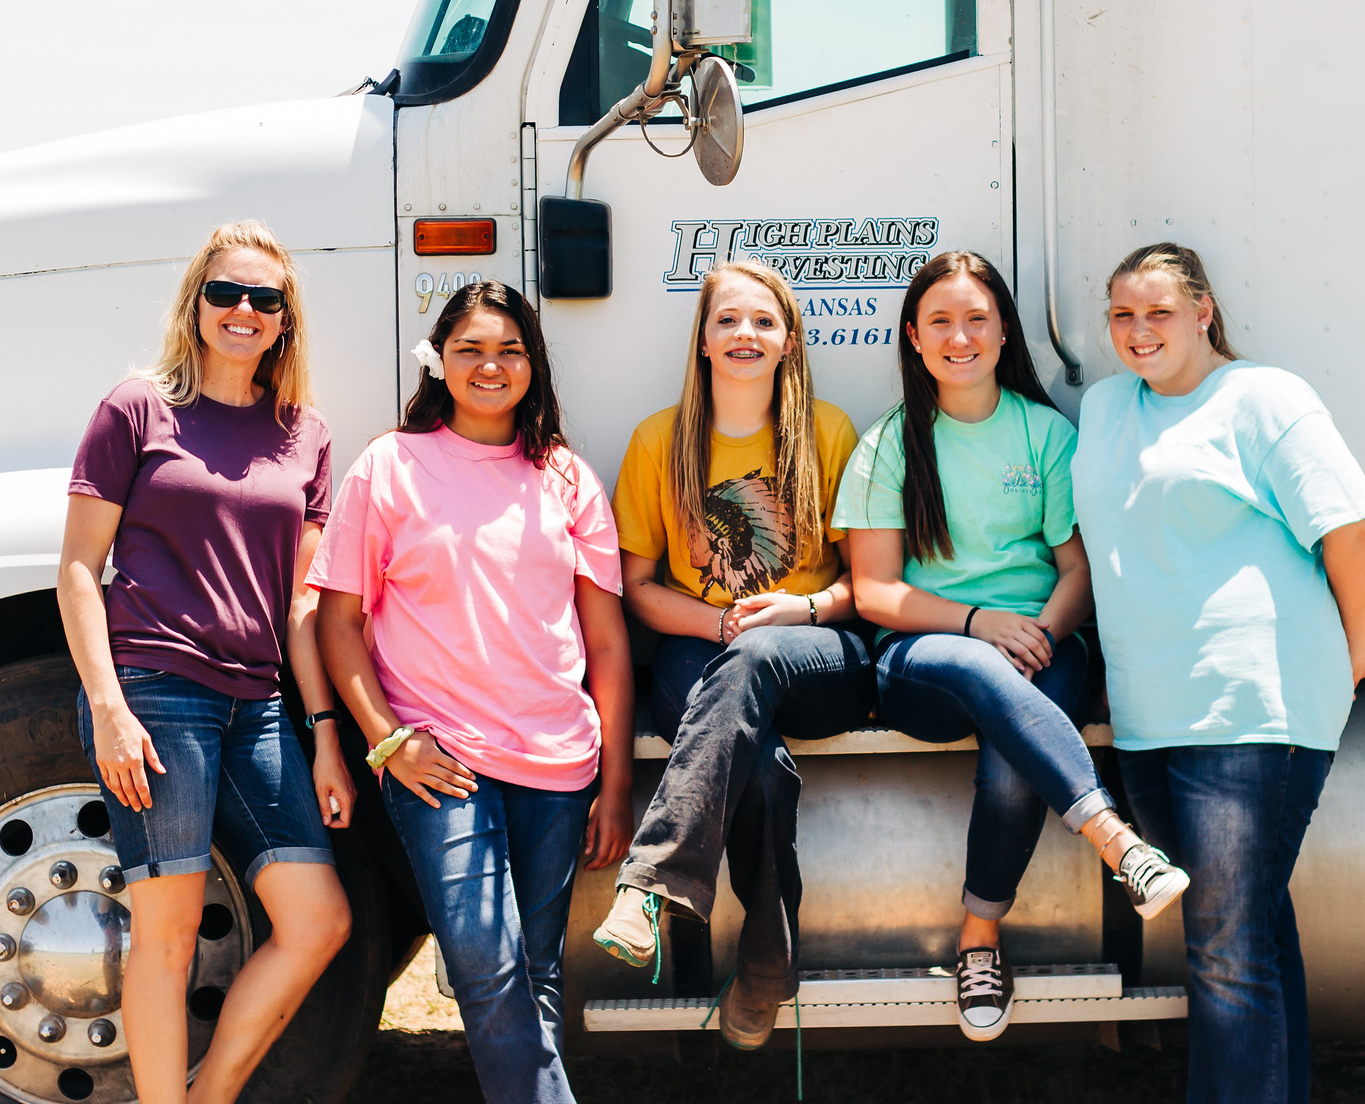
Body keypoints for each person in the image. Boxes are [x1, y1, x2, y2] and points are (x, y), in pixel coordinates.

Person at [835, 250, 1188, 1044]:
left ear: (1003, 333)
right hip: (925, 655)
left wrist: (1040, 634)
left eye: (976, 319)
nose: (958, 336)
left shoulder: (1044, 433)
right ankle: (1116, 840)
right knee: (972, 663)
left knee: (1010, 762)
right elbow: (874, 592)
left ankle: (978, 937)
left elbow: (1077, 569)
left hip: (1041, 646)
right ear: (913, 337)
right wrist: (977, 623)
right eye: (939, 321)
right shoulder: (890, 442)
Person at [1072, 242, 1365, 1104]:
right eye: (1122, 314)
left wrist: (1354, 652)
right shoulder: (1104, 406)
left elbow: (1355, 532)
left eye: (1159, 312)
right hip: (1150, 715)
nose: (1138, 330)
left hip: (1251, 710)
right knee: (1250, 939)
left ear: (1203, 312)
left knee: (1222, 953)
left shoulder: (1262, 397)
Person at [311, 280, 633, 1104]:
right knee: (486, 965)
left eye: (509, 349)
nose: (491, 365)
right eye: (471, 349)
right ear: (440, 361)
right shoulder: (390, 465)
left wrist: (615, 783)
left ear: (533, 362)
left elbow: (605, 640)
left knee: (535, 972)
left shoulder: (566, 476)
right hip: (439, 759)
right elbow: (338, 623)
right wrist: (387, 738)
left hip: (557, 762)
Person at [57, 220, 354, 1104]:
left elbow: (300, 603)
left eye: (265, 297)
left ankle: (207, 1094)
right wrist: (109, 707)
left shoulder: (305, 434)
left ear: (285, 318)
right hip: (155, 693)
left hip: (256, 705)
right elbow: (78, 570)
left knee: (318, 918)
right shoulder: (137, 407)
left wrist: (325, 734)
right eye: (225, 292)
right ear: (196, 304)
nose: (243, 310)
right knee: (169, 934)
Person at [590, 261, 870, 1049]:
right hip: (699, 647)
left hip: (817, 649)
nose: (745, 333)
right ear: (704, 340)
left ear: (788, 342)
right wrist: (720, 624)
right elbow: (636, 586)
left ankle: (649, 881)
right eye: (727, 320)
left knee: (756, 657)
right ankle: (767, 960)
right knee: (763, 767)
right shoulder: (658, 439)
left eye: (763, 321)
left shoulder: (829, 431)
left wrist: (794, 610)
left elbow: (867, 584)